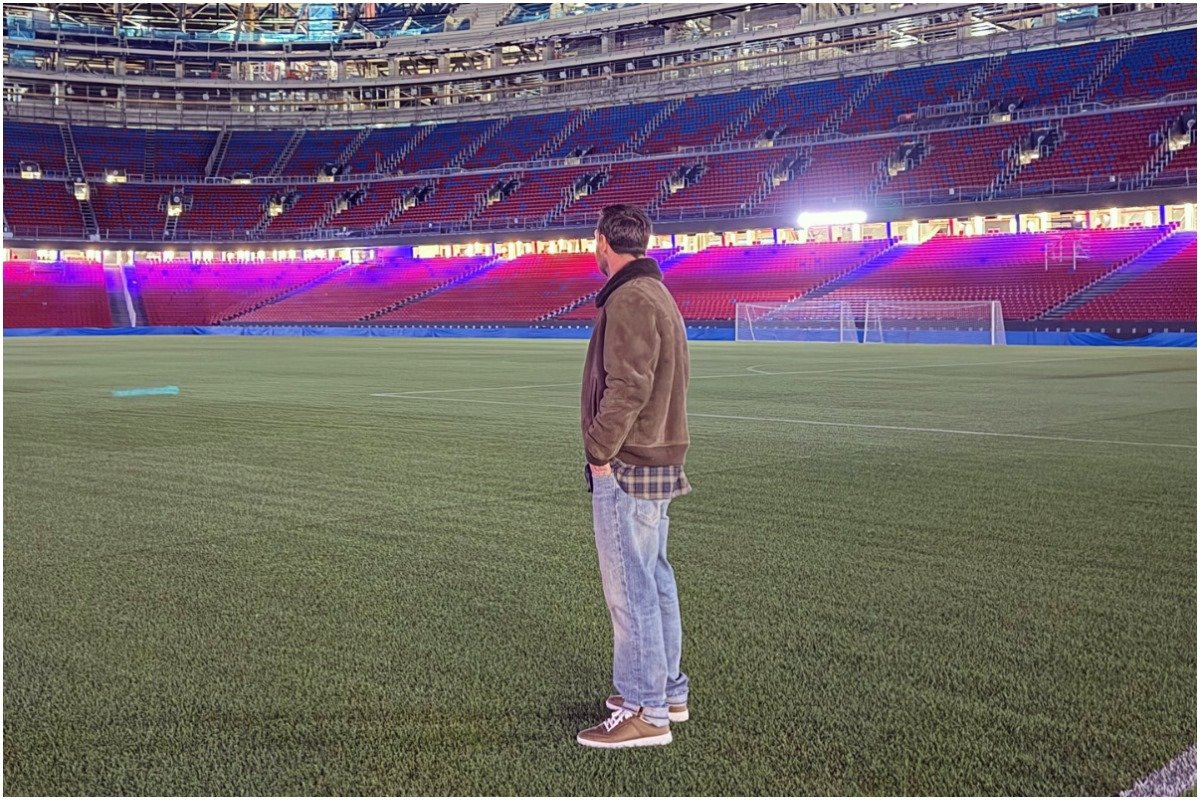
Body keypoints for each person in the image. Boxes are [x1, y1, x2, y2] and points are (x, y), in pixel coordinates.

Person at [576, 205, 692, 749]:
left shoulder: (629, 297)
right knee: (655, 578)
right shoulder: (656, 292)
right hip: (658, 457)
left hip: (630, 463)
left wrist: (599, 451)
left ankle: (646, 709)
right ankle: (667, 691)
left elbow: (628, 385)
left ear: (603, 241)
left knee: (630, 587)